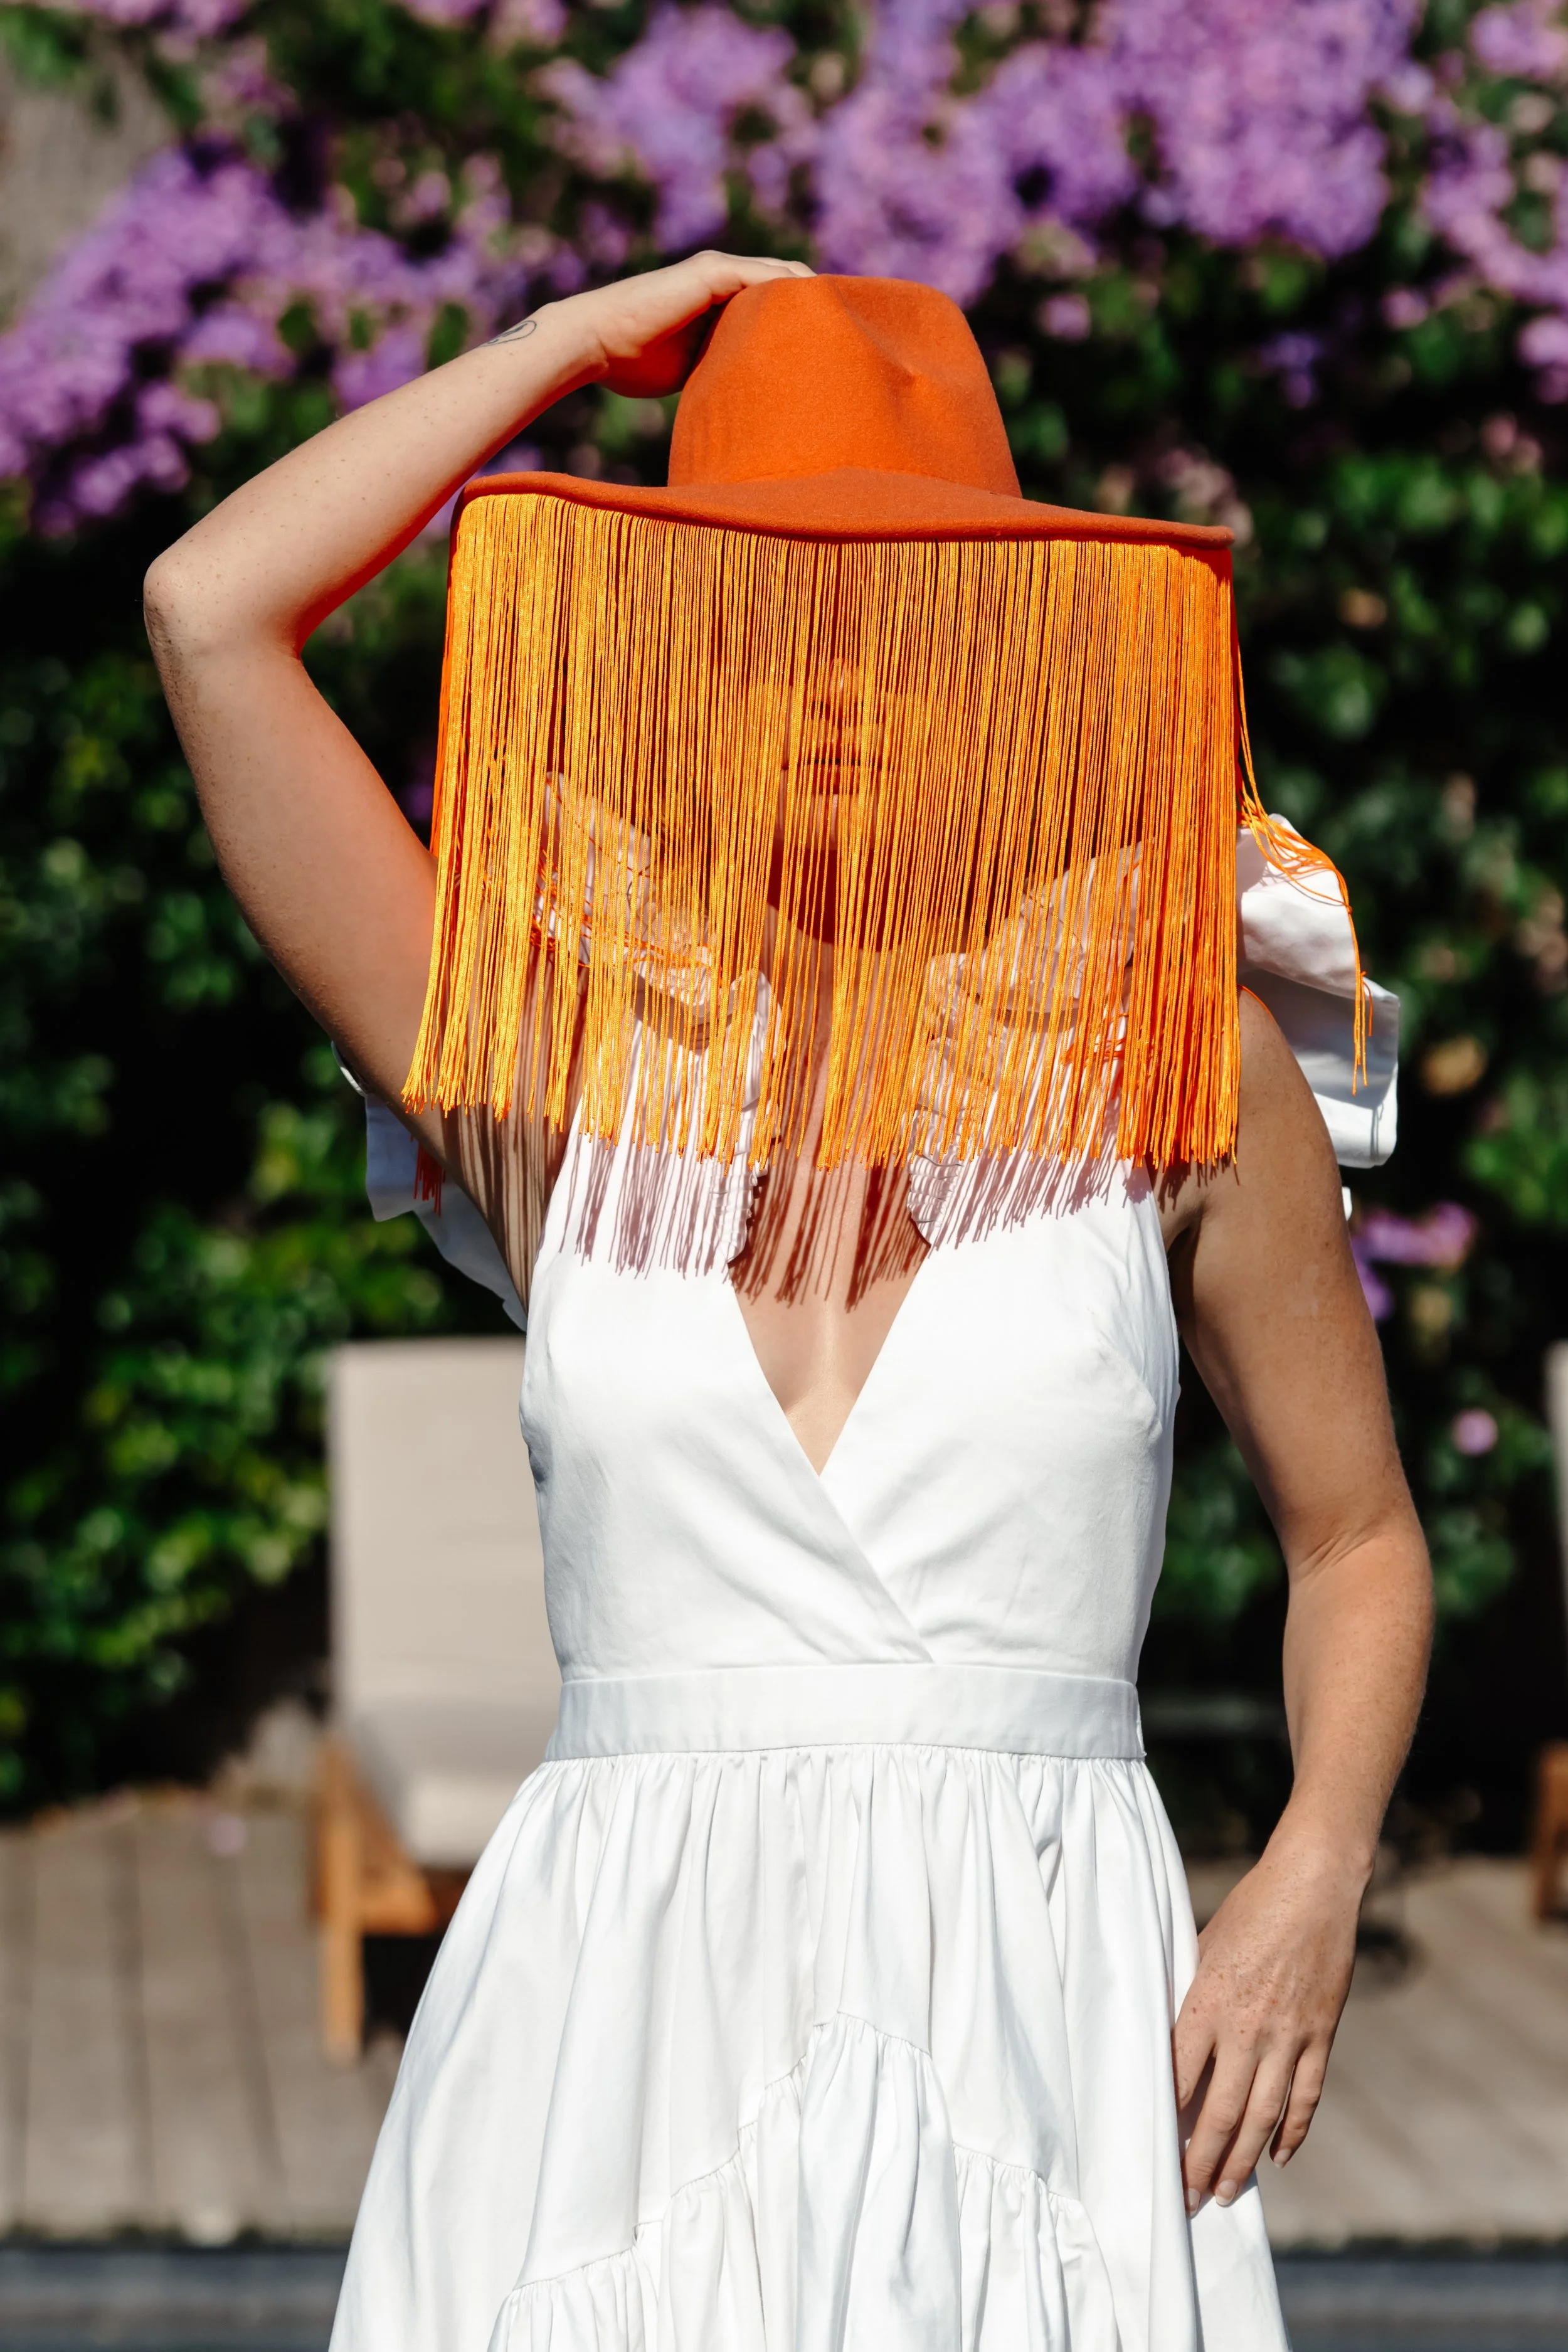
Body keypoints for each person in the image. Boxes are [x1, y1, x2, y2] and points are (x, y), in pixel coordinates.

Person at [146, 254, 1433, 2352]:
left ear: (1002, 651)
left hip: (1042, 1996)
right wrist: (581, 339)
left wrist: (1309, 1876)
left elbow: (1357, 1536)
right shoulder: (554, 1066)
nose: (835, 679)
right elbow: (209, 617)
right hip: (612, 2010)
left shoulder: (1175, 1050)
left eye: (899, 610)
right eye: (768, 605)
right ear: (691, 652)